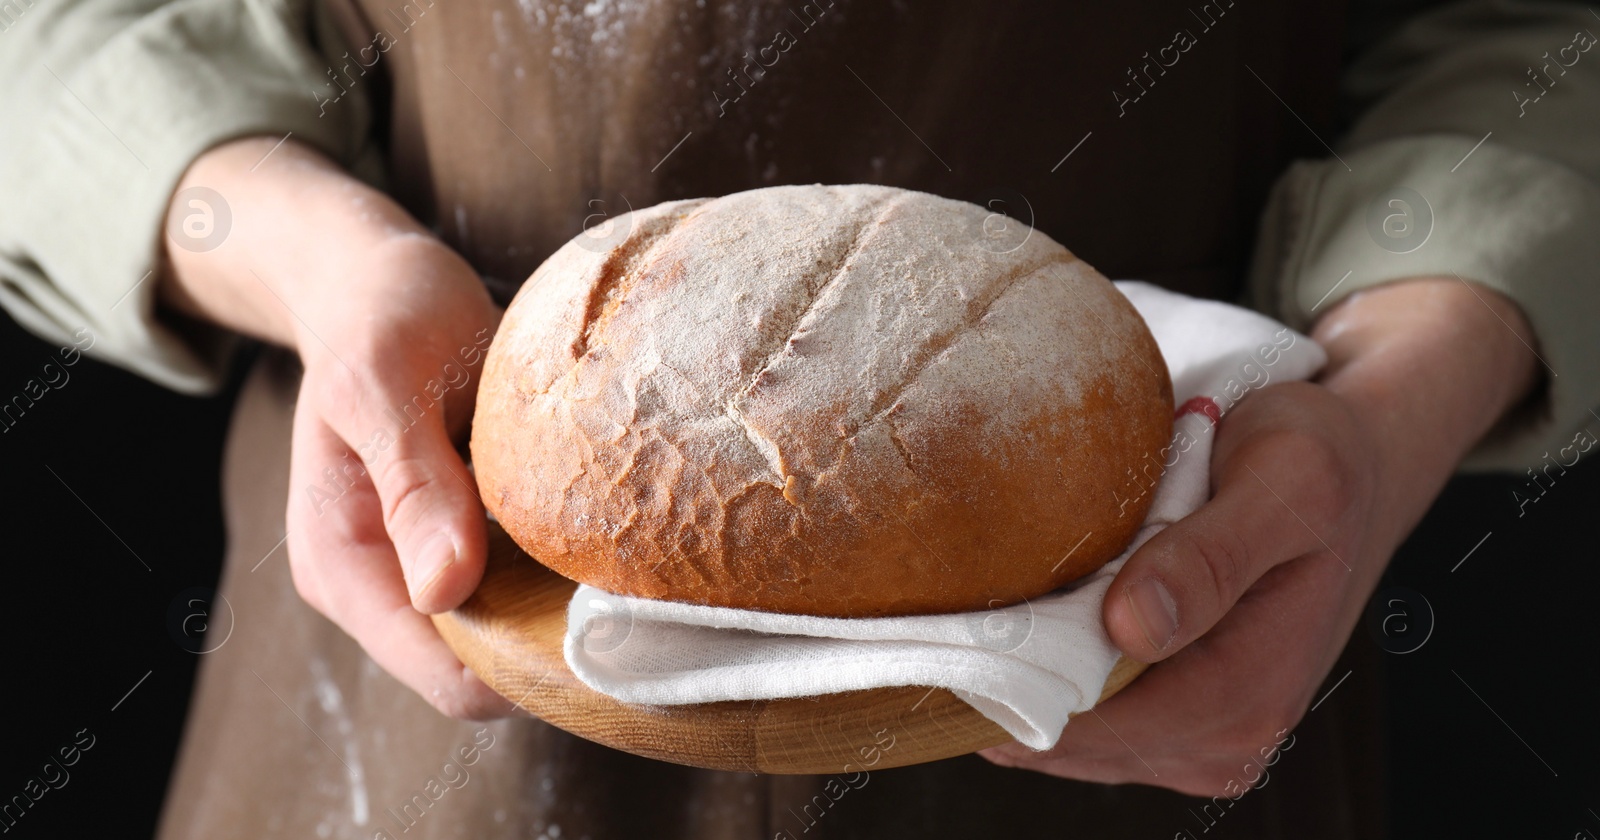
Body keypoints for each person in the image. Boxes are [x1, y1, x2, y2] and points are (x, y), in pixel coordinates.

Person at [2, 0, 1596, 837]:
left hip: (1170, 608)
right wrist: (310, 256)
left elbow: (1551, 37)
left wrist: (1389, 409)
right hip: (424, 640)